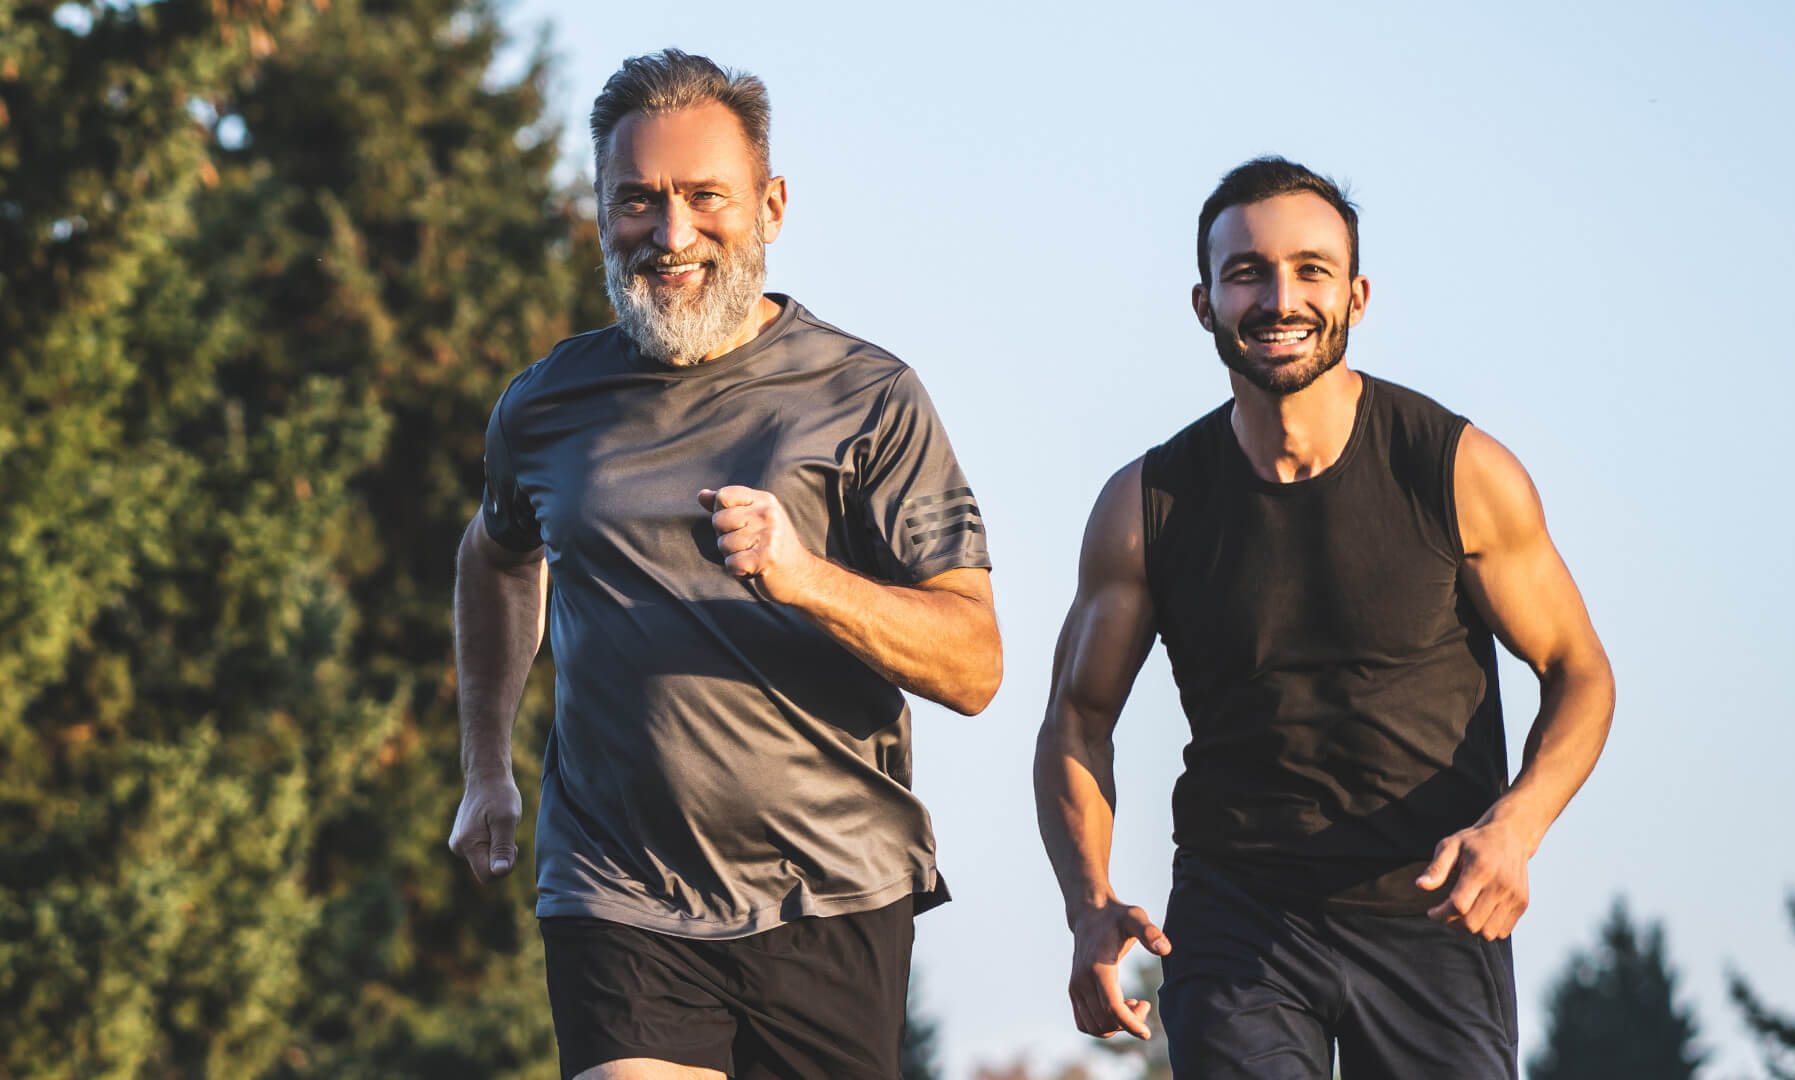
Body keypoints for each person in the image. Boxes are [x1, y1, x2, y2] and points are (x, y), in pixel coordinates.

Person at [447, 49, 1001, 1080]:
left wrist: (804, 576)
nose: (672, 234)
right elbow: (494, 559)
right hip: (619, 894)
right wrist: (487, 771)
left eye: (707, 197)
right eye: (638, 202)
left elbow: (973, 664)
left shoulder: (869, 396)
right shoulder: (545, 407)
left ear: (771, 204)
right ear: (601, 212)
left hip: (834, 895)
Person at [1033, 157, 1615, 1079]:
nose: (1280, 298)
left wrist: (1515, 829)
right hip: (1238, 916)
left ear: (1357, 294)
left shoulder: (1456, 471)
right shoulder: (1147, 505)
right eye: (1246, 273)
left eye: (1310, 269)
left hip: (1430, 914)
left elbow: (1579, 671)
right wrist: (1089, 904)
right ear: (1203, 303)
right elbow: (1078, 716)